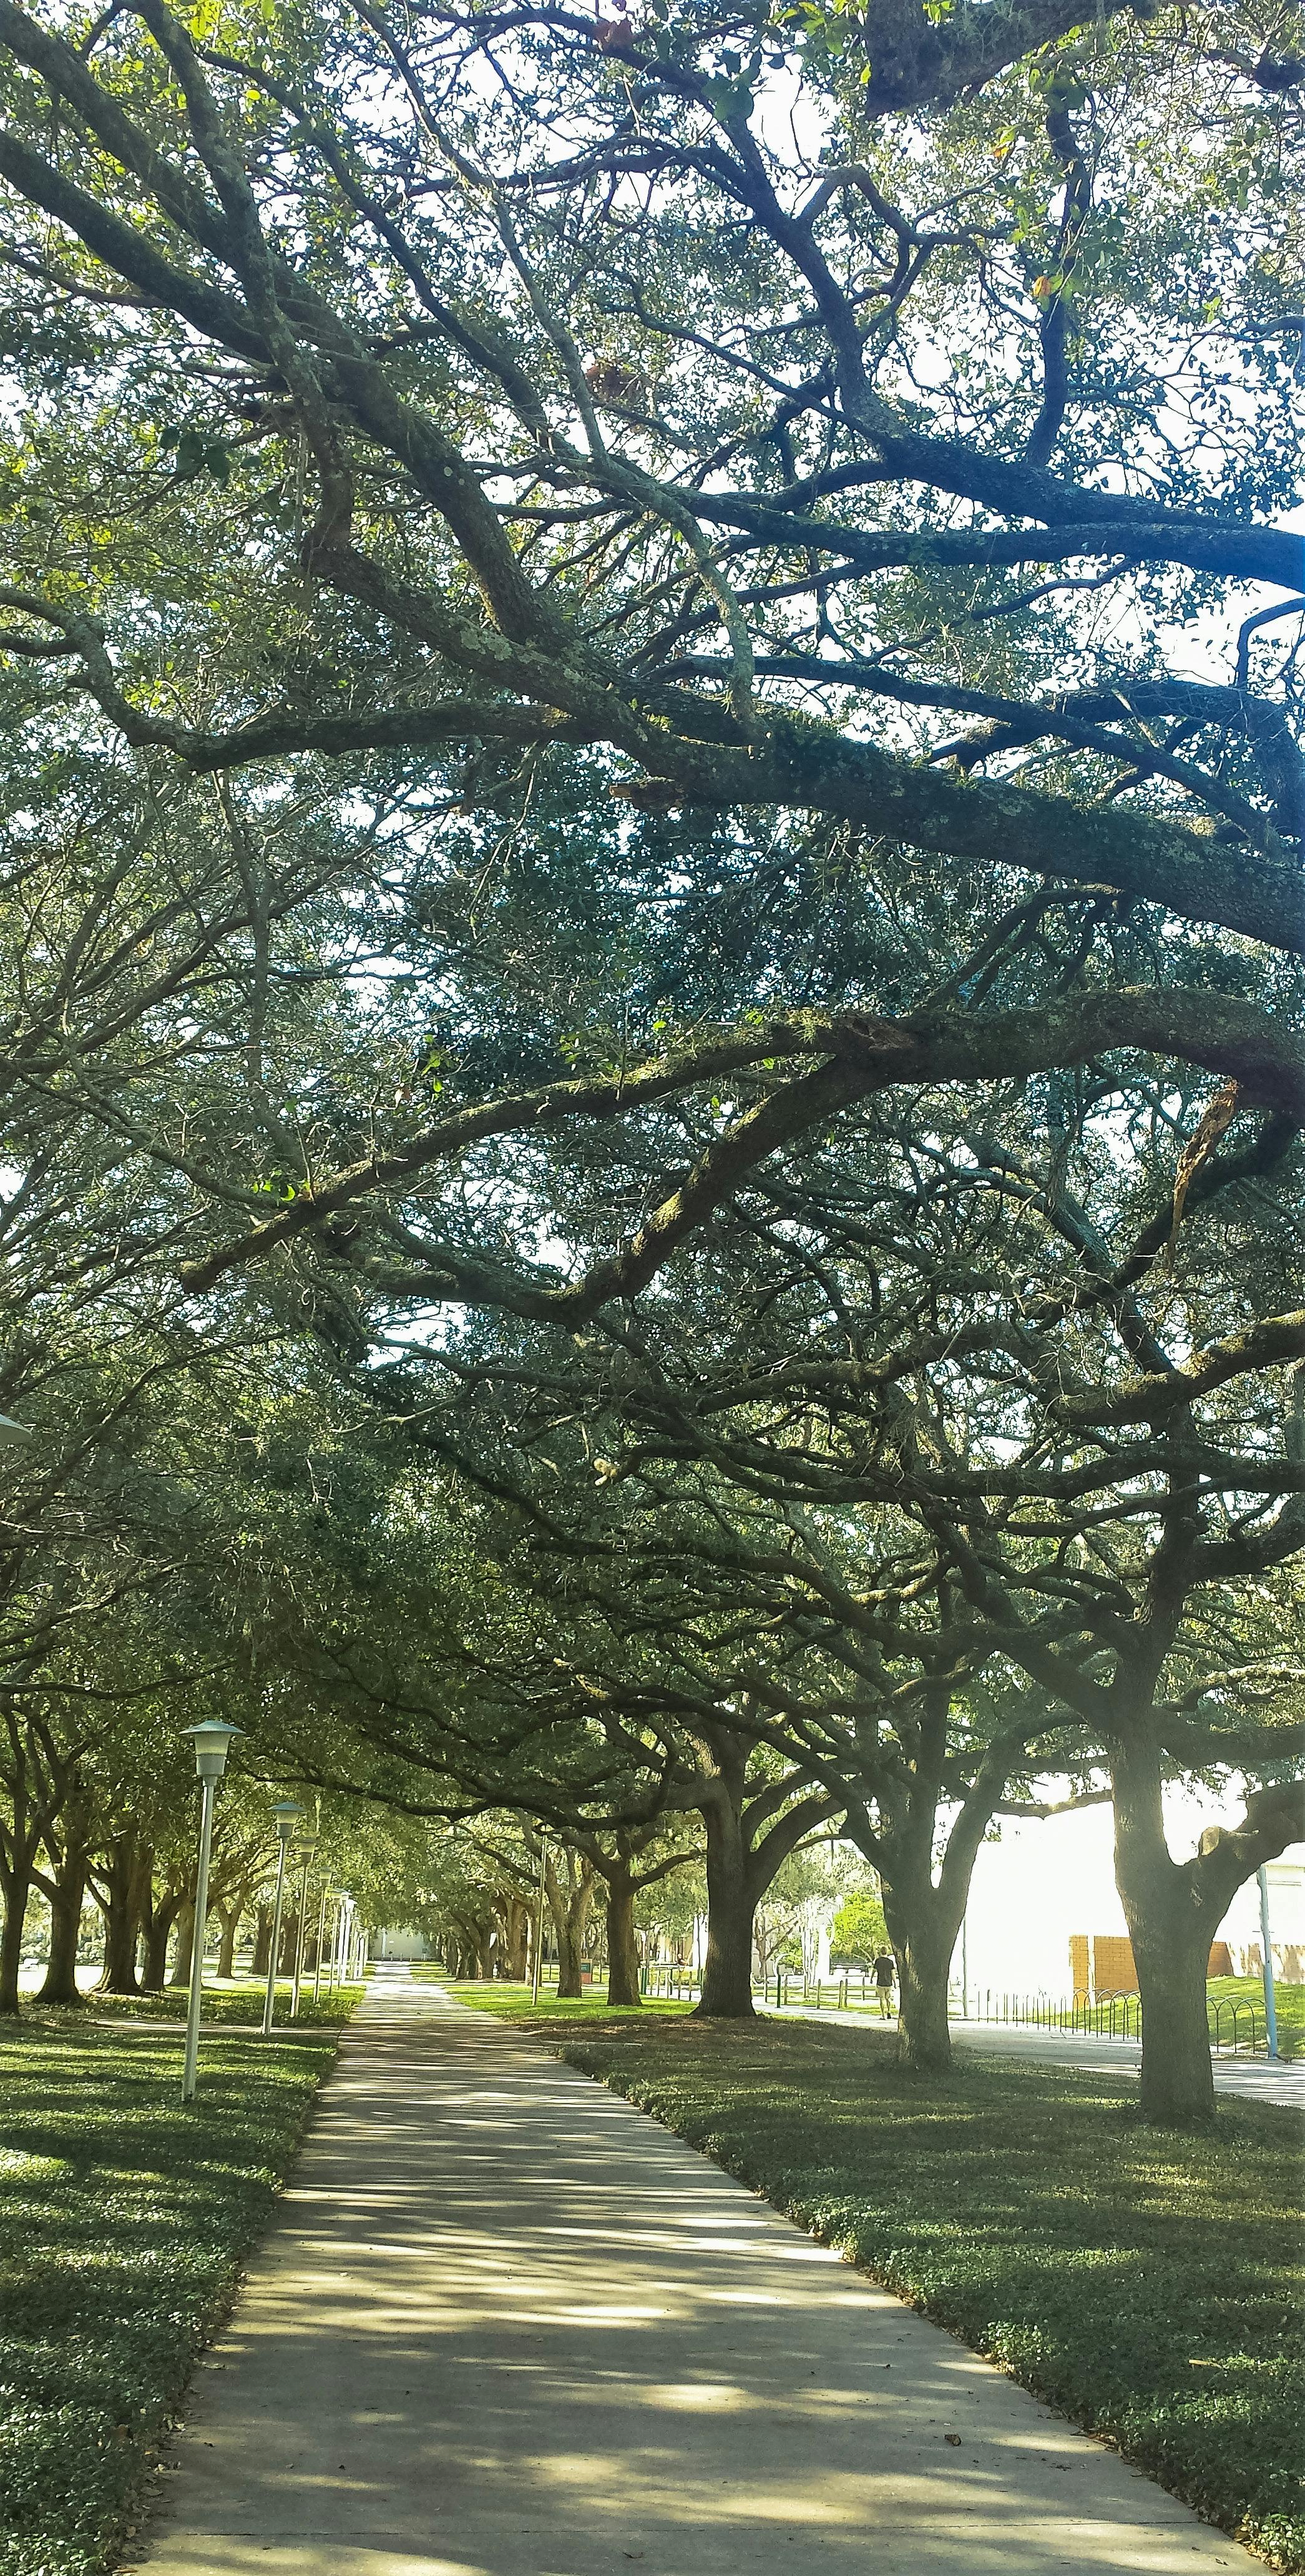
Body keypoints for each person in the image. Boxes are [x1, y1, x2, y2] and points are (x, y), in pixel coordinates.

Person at [872, 1949, 896, 2017]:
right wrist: (895, 1983)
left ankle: (883, 2015)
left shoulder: (878, 1961)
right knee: (888, 1998)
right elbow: (893, 1973)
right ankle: (889, 2011)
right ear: (887, 1952)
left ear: (880, 1953)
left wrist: (871, 1978)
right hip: (889, 1983)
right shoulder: (890, 1962)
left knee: (882, 1999)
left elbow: (874, 1971)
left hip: (880, 1983)